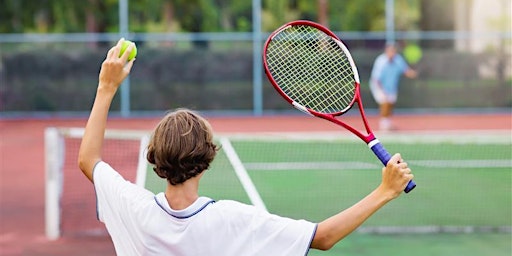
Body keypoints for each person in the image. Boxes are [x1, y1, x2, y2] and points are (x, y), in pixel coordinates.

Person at [78, 39, 414, 256]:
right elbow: (322, 237)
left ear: (154, 156)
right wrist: (384, 190)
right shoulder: (233, 220)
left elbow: (88, 159)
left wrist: (106, 87)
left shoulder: (133, 208)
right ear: (208, 159)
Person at [369, 43, 417, 131]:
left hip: (391, 87)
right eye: (389, 51)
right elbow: (376, 79)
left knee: (390, 104)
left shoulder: (398, 60)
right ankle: (383, 125)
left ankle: (387, 123)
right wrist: (382, 91)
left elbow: (405, 70)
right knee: (385, 102)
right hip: (378, 86)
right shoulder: (381, 61)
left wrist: (413, 73)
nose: (391, 53)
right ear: (386, 51)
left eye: (393, 51)